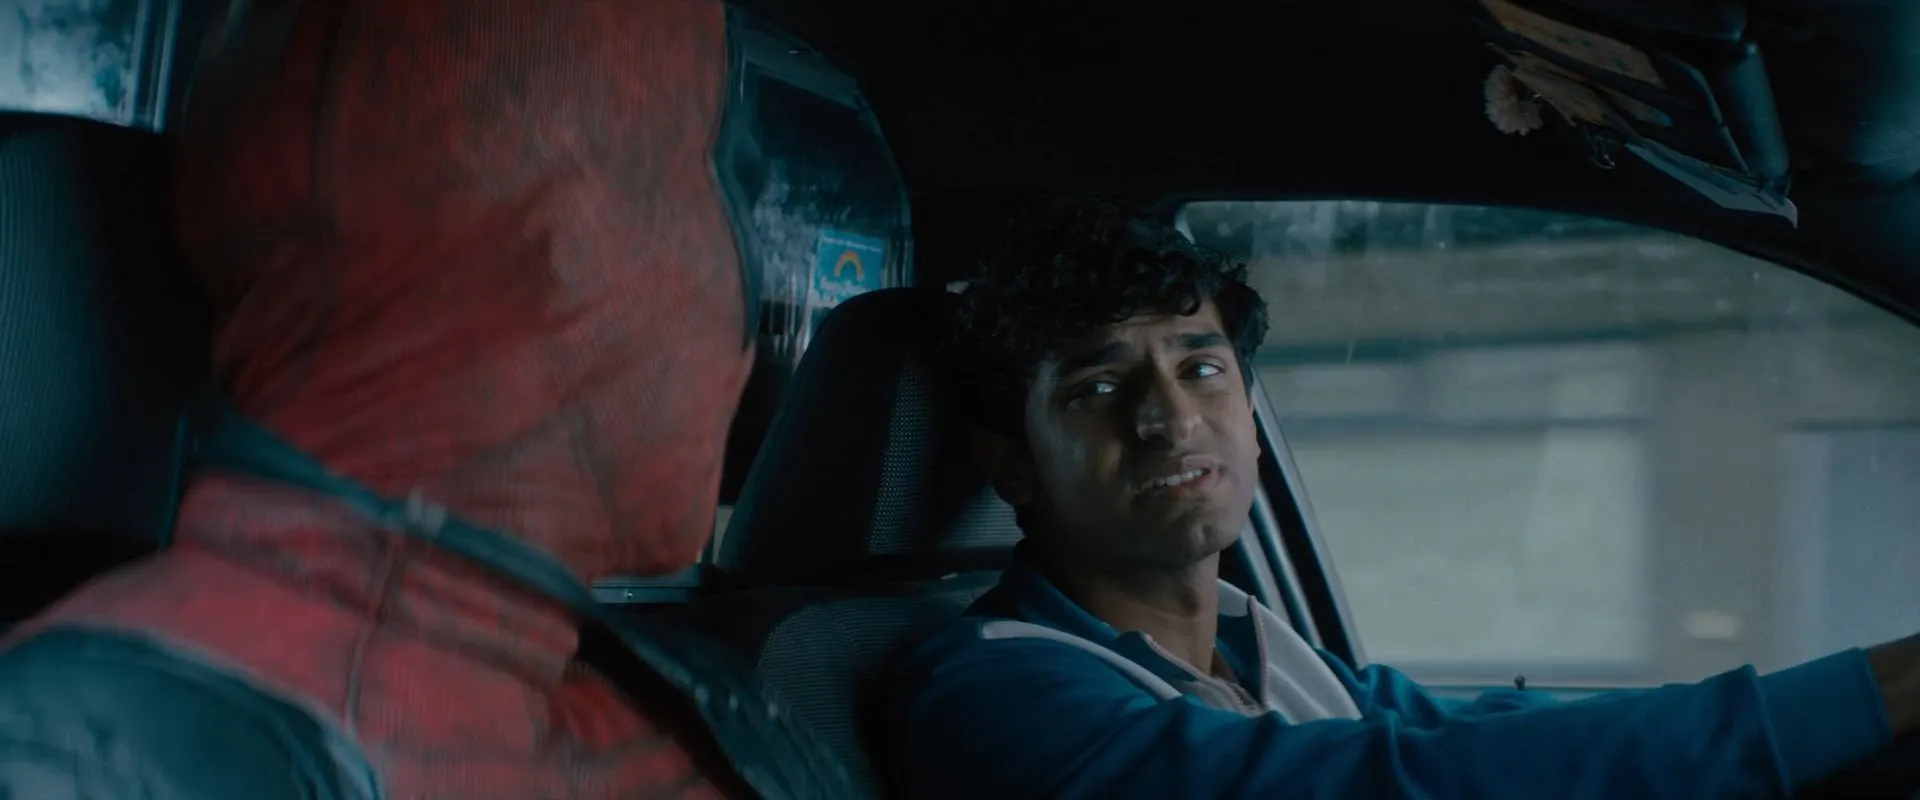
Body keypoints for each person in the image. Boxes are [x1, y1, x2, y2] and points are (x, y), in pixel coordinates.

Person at [0, 1, 817, 797]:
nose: (750, 305)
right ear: (565, 243)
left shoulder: (665, 692)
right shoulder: (99, 754)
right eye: (732, 185)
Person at [885, 197, 1920, 798]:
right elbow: (1396, 783)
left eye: (1201, 369)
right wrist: (1881, 689)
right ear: (1013, 464)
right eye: (1098, 388)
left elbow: (1490, 730)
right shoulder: (990, 691)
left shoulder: (1259, 649)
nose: (1168, 418)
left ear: (1251, 414)